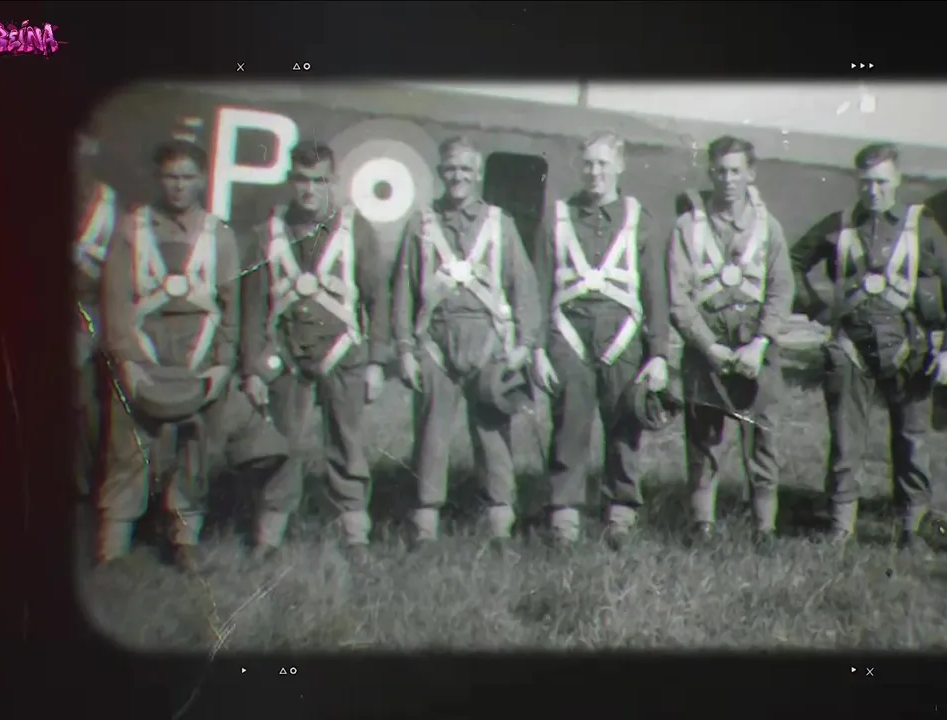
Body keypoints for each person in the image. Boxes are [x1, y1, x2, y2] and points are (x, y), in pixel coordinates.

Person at [98, 139, 290, 572]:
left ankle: (185, 538)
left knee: (195, 455)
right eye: (171, 176)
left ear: (202, 179)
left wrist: (221, 364)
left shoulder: (219, 235)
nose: (179, 186)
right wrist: (127, 361)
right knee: (127, 452)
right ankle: (113, 546)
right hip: (144, 359)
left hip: (199, 362)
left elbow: (230, 307)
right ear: (158, 178)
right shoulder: (132, 230)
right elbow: (115, 304)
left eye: (187, 177)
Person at [788, 142, 947, 552]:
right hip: (851, 348)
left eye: (882, 182)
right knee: (846, 441)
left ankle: (912, 527)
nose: (873, 191)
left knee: (912, 441)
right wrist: (816, 308)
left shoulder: (923, 227)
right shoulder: (838, 225)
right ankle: (841, 527)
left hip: (911, 350)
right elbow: (792, 262)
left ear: (898, 180)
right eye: (866, 182)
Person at [239, 140, 391, 567]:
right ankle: (269, 533)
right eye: (302, 180)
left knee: (346, 443)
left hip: (343, 354)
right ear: (291, 181)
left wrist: (377, 362)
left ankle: (355, 532)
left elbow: (378, 299)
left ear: (333, 182)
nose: (309, 189)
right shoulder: (269, 232)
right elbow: (252, 306)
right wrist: (252, 368)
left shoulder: (356, 230)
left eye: (319, 180)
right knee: (282, 445)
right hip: (286, 354)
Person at [392, 136, 541, 547]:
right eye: (450, 169)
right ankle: (425, 525)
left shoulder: (500, 224)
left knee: (493, 434)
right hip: (435, 343)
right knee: (431, 436)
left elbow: (524, 287)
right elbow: (403, 292)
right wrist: (404, 349)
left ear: (478, 175)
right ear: (441, 173)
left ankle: (500, 523)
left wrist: (524, 344)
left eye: (466, 170)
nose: (458, 177)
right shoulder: (422, 225)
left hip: (488, 342)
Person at [532, 131, 672, 550]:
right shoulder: (558, 217)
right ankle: (564, 514)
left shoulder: (640, 220)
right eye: (589, 163)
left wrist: (659, 354)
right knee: (569, 425)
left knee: (625, 425)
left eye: (603, 164)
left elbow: (655, 293)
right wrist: (537, 349)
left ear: (619, 166)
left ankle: (621, 511)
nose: (595, 172)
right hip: (568, 334)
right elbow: (540, 287)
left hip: (622, 337)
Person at [667, 136, 795, 546]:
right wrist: (707, 346)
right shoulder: (688, 227)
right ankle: (702, 526)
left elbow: (781, 290)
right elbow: (678, 298)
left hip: (757, 347)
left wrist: (760, 343)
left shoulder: (768, 227)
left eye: (736, 171)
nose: (728, 179)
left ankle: (764, 528)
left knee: (763, 440)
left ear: (750, 174)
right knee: (703, 441)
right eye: (720, 171)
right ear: (710, 172)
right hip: (706, 349)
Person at [73, 119, 118, 502]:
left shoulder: (108, 203)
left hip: (88, 315)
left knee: (84, 399)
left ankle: (84, 481)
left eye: (81, 141)